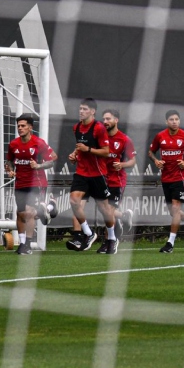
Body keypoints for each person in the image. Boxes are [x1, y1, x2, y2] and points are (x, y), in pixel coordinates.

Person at [66, 97, 119, 254]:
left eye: (85, 109)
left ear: (93, 111)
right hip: (82, 172)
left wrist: (87, 150)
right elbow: (79, 147)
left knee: (105, 209)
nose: (81, 111)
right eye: (80, 108)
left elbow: (106, 151)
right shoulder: (76, 127)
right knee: (74, 201)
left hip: (98, 174)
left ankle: (111, 238)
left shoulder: (99, 128)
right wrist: (74, 154)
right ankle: (88, 233)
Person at [148, 109, 184, 253]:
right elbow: (150, 152)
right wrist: (156, 161)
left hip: (180, 177)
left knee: (176, 209)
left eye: (177, 119)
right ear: (167, 121)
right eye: (171, 119)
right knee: (173, 213)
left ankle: (170, 243)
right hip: (166, 178)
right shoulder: (160, 136)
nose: (174, 122)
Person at [5, 113, 58, 255]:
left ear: (30, 127)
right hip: (20, 183)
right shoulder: (13, 144)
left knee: (29, 213)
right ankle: (50, 207)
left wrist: (39, 166)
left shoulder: (38, 143)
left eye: (23, 126)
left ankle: (27, 245)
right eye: (18, 126)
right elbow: (9, 161)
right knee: (20, 214)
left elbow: (52, 160)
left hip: (37, 182)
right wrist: (9, 170)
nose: (20, 128)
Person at [102, 108, 136, 240]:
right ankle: (123, 216)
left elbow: (133, 161)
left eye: (108, 119)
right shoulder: (100, 138)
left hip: (117, 180)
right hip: (101, 180)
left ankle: (109, 241)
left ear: (116, 120)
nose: (105, 121)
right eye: (104, 119)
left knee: (109, 211)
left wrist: (122, 164)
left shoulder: (124, 139)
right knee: (105, 211)